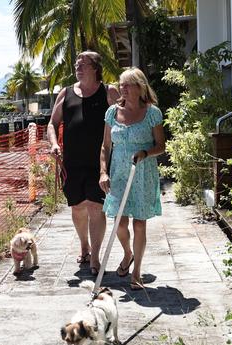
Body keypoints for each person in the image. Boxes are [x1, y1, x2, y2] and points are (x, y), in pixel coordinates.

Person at [47, 51, 120, 275]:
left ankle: (95, 258)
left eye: (83, 64)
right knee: (78, 207)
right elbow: (52, 123)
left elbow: (123, 117)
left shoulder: (108, 92)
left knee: (95, 207)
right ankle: (84, 246)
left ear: (95, 68)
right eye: (77, 63)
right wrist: (54, 144)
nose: (78, 67)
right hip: (72, 163)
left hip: (100, 162)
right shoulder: (66, 93)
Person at [99, 67, 166, 290]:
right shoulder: (112, 113)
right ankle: (128, 253)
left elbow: (160, 146)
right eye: (121, 85)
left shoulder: (152, 113)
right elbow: (106, 146)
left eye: (127, 85)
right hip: (118, 172)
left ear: (140, 87)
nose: (122, 89)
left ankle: (136, 272)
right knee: (119, 222)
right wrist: (103, 172)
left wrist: (145, 153)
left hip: (142, 172)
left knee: (139, 224)